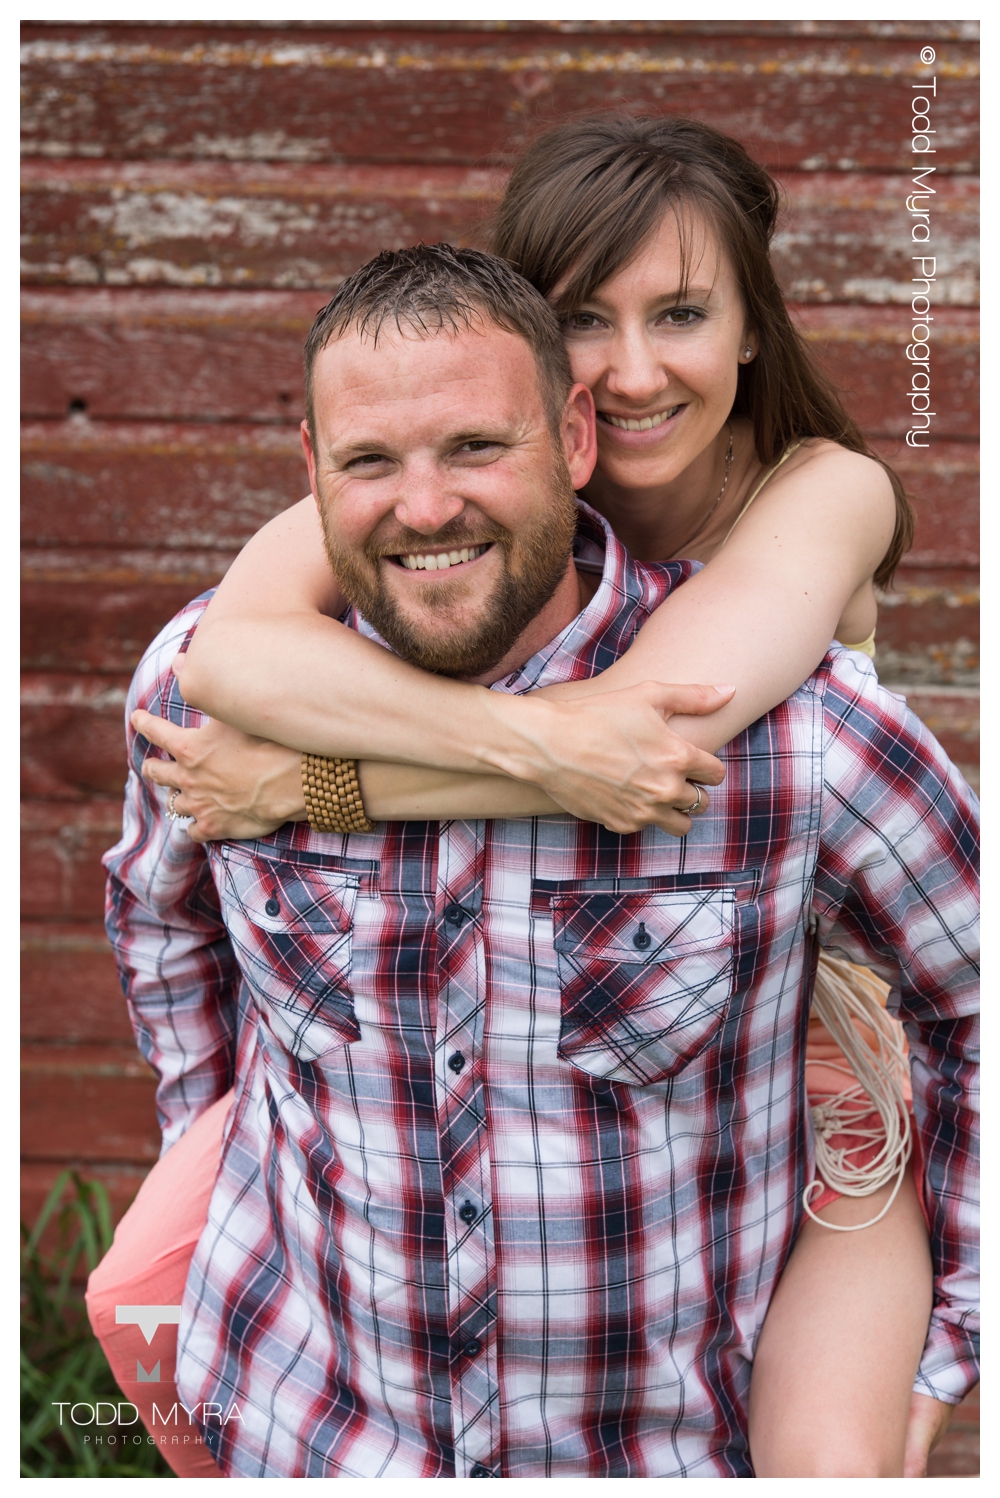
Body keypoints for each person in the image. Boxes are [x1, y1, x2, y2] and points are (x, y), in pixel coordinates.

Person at [89, 243, 978, 1479]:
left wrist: (953, 1336)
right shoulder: (210, 702)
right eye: (369, 461)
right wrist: (208, 1132)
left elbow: (975, 998)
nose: (426, 504)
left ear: (574, 438)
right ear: (309, 470)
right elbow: (158, 913)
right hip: (305, 1428)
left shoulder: (793, 728)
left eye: (473, 447)